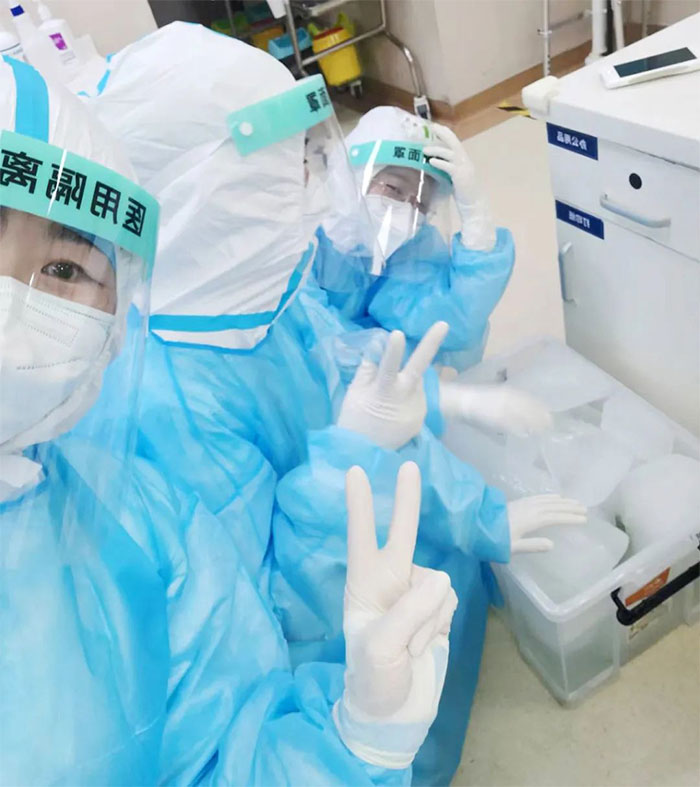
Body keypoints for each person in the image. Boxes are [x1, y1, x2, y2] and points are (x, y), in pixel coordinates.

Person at [88, 24, 586, 786]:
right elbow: (262, 630)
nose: (324, 195)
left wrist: (477, 503)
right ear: (205, 197)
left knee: (443, 568)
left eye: (315, 159)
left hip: (355, 550)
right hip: (317, 671)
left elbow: (363, 394)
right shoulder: (161, 406)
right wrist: (353, 461)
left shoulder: (269, 299)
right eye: (293, 170)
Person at [0, 54, 462, 786]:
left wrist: (357, 745)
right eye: (292, 169)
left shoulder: (131, 508)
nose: (12, 318)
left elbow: (228, 737)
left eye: (63, 269)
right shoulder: (162, 411)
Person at [313, 105, 515, 371]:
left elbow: (453, 320)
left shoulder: (409, 246)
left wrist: (476, 218)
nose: (407, 212)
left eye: (420, 204)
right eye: (394, 188)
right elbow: (304, 346)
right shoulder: (301, 243)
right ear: (352, 177)